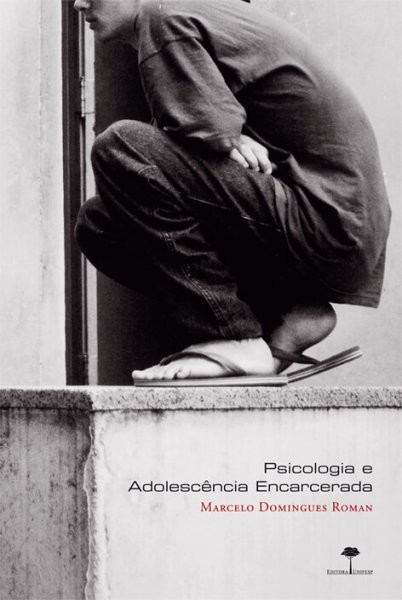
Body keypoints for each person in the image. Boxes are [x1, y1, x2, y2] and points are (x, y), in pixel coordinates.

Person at [73, 0, 391, 382]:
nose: (79, 3)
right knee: (100, 224)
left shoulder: (163, 14)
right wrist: (224, 136)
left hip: (326, 217)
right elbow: (205, 135)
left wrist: (221, 134)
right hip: (333, 222)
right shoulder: (176, 15)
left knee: (121, 147)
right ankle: (290, 310)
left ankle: (233, 335)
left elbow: (205, 130)